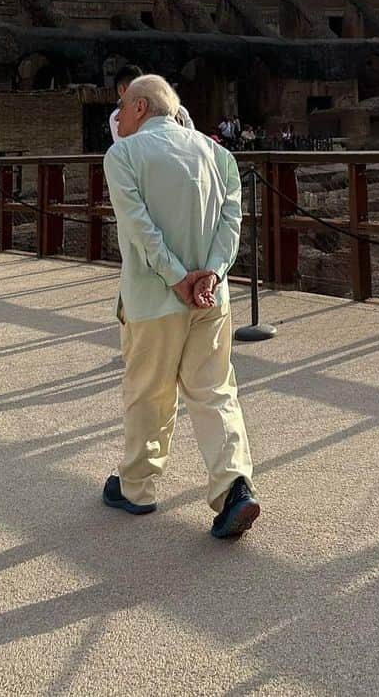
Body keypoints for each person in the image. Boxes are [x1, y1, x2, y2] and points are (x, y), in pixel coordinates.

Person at [101, 74, 259, 538]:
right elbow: (232, 223)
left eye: (123, 107)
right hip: (212, 297)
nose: (119, 117)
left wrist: (175, 277)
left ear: (141, 108)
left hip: (155, 299)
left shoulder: (122, 156)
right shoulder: (218, 154)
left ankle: (137, 489)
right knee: (214, 391)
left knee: (149, 391)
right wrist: (210, 273)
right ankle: (234, 486)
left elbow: (139, 227)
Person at [110, 64, 195, 142]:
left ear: (121, 89)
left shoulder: (121, 115)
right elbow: (191, 140)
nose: (117, 117)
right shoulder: (180, 110)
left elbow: (123, 151)